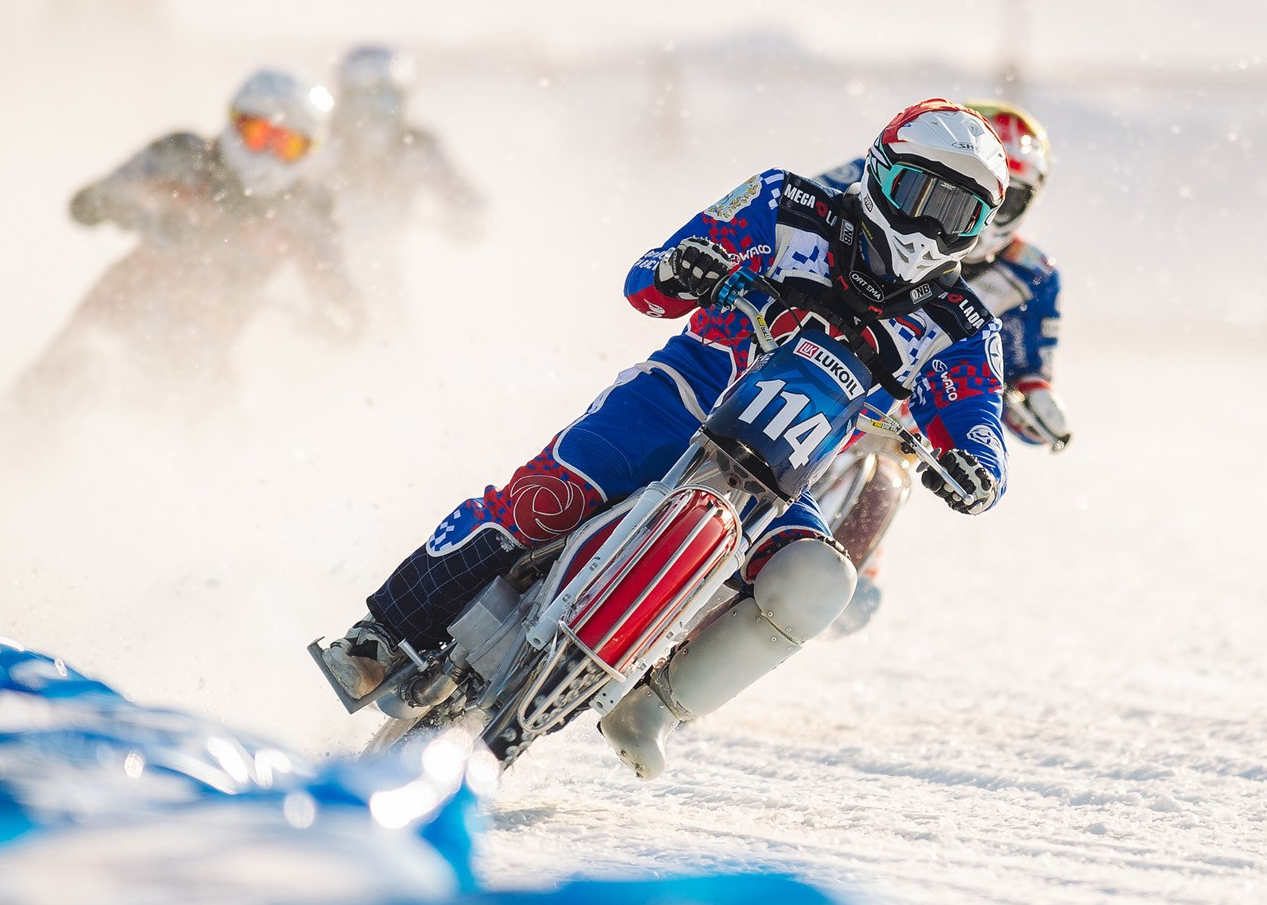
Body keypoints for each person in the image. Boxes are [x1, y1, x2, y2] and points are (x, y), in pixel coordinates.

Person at [318, 98, 1013, 778]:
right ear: (877, 170)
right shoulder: (784, 203)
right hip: (671, 403)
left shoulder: (962, 323)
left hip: (779, 483)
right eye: (917, 191)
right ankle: (383, 632)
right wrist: (690, 266)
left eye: (958, 213)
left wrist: (976, 465)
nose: (927, 225)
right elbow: (647, 282)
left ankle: (653, 710)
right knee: (545, 500)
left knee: (819, 579)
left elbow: (977, 412)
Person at [816, 99, 1070, 632]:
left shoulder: (1033, 276)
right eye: (927, 189)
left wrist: (1032, 400)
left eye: (996, 202)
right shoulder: (862, 178)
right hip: (810, 356)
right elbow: (796, 221)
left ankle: (834, 566)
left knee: (880, 505)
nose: (945, 213)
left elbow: (1024, 370)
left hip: (904, 416)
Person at [0, 68, 352, 418]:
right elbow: (86, 203)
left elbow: (343, 298)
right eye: (258, 134)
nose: (266, 155)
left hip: (214, 338)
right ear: (234, 123)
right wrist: (132, 205)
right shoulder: (180, 156)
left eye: (286, 144)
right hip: (131, 297)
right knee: (60, 374)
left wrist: (331, 319)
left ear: (309, 151)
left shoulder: (307, 209)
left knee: (228, 426)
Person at [323, 44, 487, 322]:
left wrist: (466, 218)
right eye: (362, 101)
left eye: (385, 100)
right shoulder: (322, 143)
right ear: (344, 100)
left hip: (387, 267)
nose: (372, 113)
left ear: (404, 101)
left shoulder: (418, 149)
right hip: (319, 260)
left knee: (392, 325)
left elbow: (465, 198)